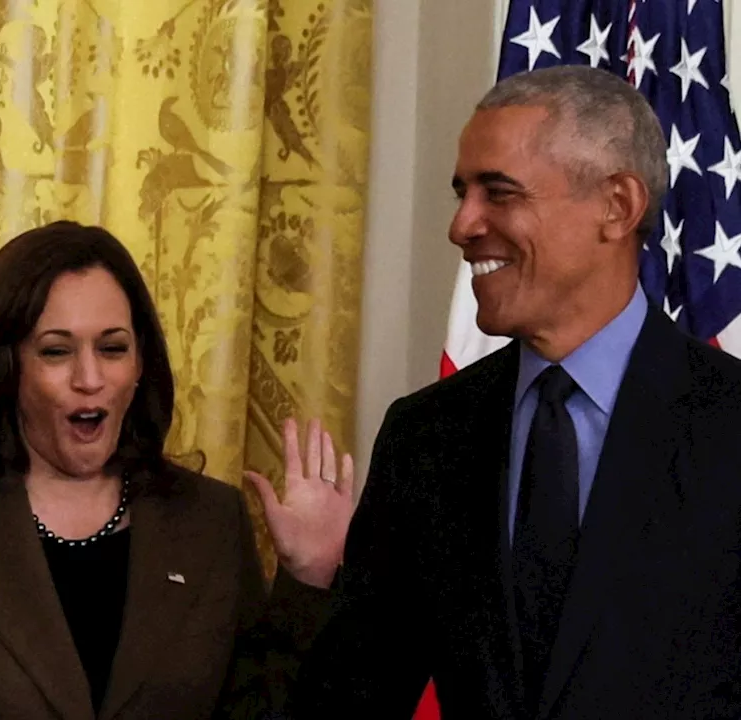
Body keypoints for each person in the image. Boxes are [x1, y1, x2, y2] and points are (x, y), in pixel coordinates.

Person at [290, 65, 741, 718]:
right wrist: (310, 582)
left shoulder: (728, 425)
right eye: (461, 193)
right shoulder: (426, 435)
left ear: (617, 206)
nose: (463, 225)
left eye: (498, 193)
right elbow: (349, 698)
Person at [0, 220, 356, 719]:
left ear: (140, 366)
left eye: (112, 348)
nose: (90, 378)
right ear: (8, 369)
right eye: (56, 351)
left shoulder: (210, 519)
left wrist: (308, 581)